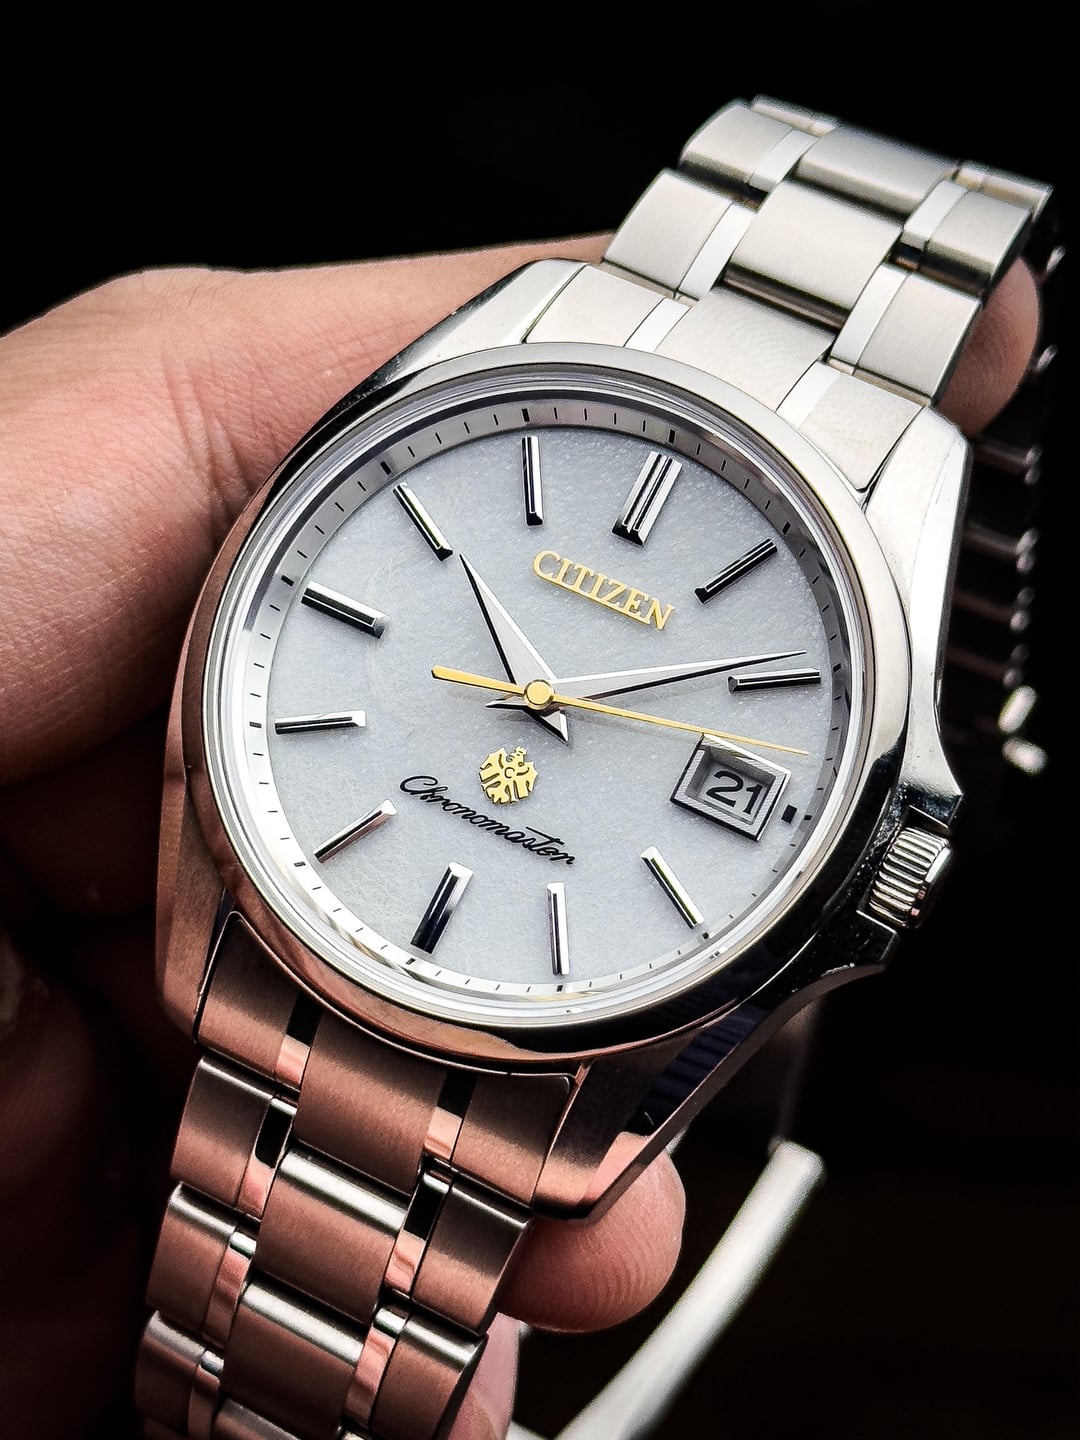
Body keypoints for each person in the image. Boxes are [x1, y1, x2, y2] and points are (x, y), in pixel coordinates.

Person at [0, 236, 1039, 1440]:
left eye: (554, 703)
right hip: (293, 921)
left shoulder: (887, 481)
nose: (543, 702)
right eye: (537, 691)